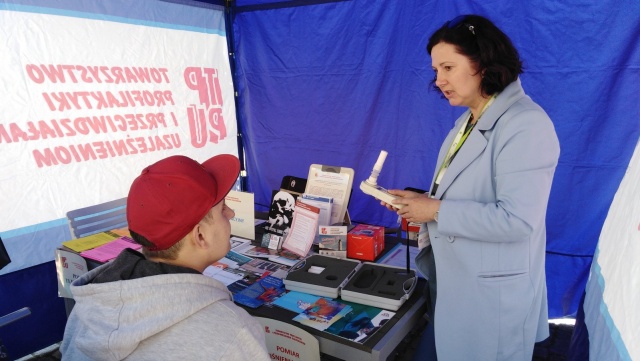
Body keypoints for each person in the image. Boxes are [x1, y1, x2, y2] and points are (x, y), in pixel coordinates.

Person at [381, 14, 560, 360]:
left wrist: (433, 210)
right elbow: (463, 195)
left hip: (491, 302)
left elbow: (517, 220)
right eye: (436, 71)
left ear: (483, 62)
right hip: (458, 288)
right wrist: (422, 202)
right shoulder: (468, 120)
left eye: (448, 67)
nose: (439, 80)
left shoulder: (526, 124)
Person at [60, 154, 270, 360]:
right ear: (200, 235)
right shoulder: (232, 332)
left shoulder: (86, 311)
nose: (231, 213)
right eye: (223, 209)